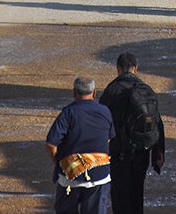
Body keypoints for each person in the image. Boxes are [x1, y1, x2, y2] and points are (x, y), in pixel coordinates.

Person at [100, 54, 166, 214]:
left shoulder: (112, 90)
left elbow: (100, 121)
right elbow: (157, 121)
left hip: (118, 153)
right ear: (136, 69)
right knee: (137, 194)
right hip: (142, 151)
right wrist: (159, 151)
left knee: (120, 197)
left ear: (117, 69)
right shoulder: (146, 90)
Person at [45, 76, 114, 214]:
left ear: (74, 92)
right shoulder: (105, 112)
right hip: (99, 176)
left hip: (70, 177)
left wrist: (60, 163)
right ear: (94, 93)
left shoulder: (68, 113)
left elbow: (51, 144)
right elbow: (108, 139)